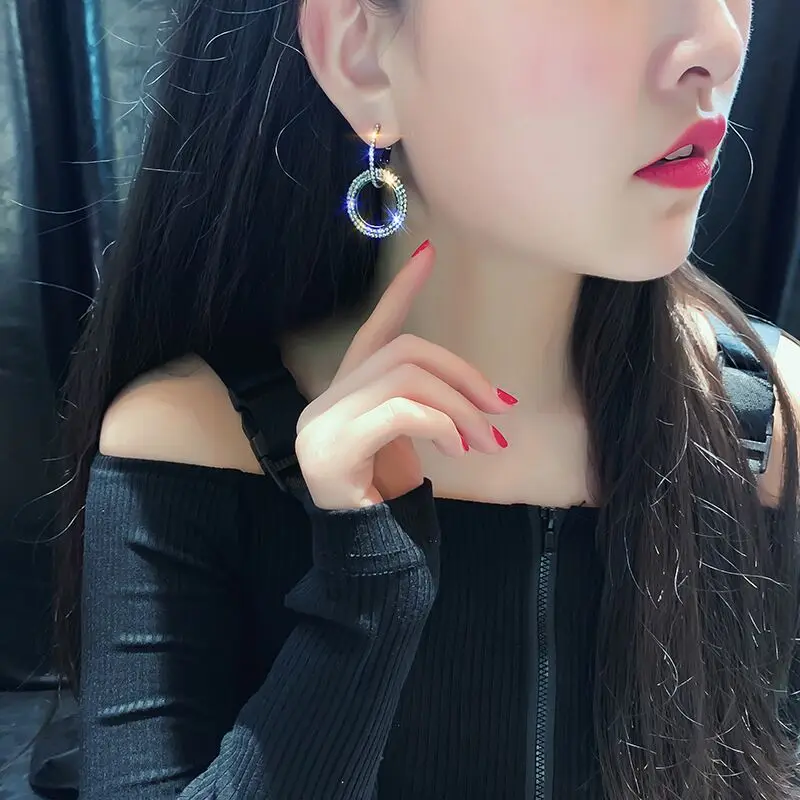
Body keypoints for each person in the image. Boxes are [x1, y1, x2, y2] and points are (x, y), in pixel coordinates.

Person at [55, 0, 800, 797]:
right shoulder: (187, 440)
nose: (720, 43)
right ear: (362, 52)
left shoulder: (770, 421)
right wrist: (364, 598)